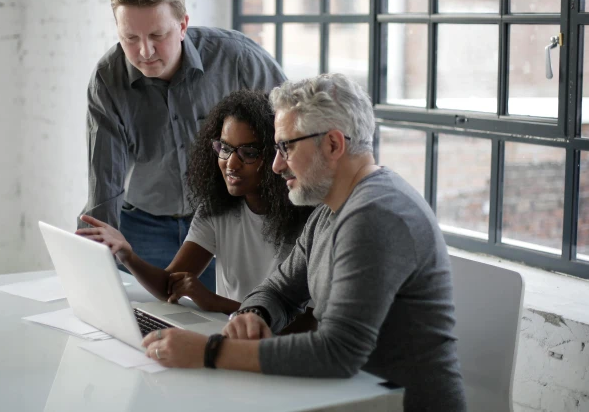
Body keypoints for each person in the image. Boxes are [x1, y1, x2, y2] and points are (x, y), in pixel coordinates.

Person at [140, 74, 467, 412]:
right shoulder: (330, 211)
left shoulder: (375, 216)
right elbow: (279, 291)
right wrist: (255, 314)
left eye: (286, 147)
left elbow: (337, 353)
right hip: (348, 398)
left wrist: (209, 352)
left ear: (333, 145)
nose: (277, 164)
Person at [78, 0, 286, 292]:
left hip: (225, 220)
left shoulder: (237, 59)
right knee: (143, 327)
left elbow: (290, 131)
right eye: (130, 37)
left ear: (183, 24)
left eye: (158, 35)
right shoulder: (108, 79)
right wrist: (92, 260)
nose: (144, 52)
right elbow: (105, 181)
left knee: (222, 323)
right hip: (143, 224)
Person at [77, 90, 313, 319]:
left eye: (248, 152)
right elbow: (171, 285)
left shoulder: (309, 219)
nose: (231, 163)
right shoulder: (218, 207)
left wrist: (214, 302)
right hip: (229, 336)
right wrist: (127, 254)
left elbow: (308, 325)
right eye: (225, 148)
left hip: (280, 349)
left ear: (278, 154)